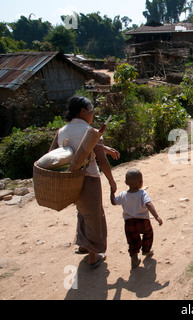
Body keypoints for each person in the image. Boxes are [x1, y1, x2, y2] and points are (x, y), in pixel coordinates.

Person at [49, 95, 117, 268]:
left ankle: (82, 245)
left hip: (70, 179)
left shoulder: (62, 131)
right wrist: (111, 181)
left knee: (82, 211)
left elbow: (50, 155)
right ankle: (94, 255)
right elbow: (102, 161)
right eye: (92, 110)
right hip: (89, 178)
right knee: (94, 215)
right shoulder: (91, 131)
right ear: (83, 111)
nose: (93, 113)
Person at [111, 168, 163, 269]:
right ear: (141, 182)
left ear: (126, 182)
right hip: (143, 221)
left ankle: (134, 257)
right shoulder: (142, 193)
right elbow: (149, 204)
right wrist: (156, 216)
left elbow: (113, 202)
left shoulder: (123, 194)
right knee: (148, 234)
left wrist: (112, 192)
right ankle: (146, 249)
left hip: (129, 223)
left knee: (132, 241)